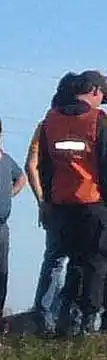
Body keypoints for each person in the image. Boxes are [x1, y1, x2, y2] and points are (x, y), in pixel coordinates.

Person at [25, 71, 107, 335]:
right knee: (96, 265)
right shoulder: (97, 120)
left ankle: (63, 324)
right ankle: (89, 326)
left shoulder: (48, 122)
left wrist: (45, 202)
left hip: (61, 206)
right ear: (96, 91)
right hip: (94, 204)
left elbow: (39, 166)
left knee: (68, 264)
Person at [0, 118, 28, 319]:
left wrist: (10, 193)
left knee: (2, 273)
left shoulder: (6, 160)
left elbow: (22, 178)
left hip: (1, 226)